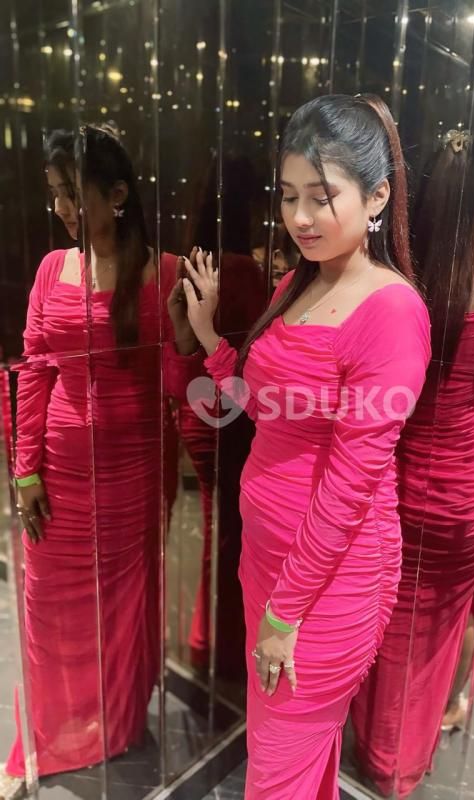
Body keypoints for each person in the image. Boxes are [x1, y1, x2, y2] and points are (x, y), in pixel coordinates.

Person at [180, 93, 431, 799]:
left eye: (321, 198)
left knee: (276, 771)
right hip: (269, 561)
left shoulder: (392, 311)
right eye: (289, 196)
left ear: (377, 195)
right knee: (285, 755)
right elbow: (263, 408)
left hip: (328, 585)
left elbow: (351, 485)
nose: (299, 217)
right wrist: (210, 336)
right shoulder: (299, 282)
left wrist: (285, 613)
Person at [0, 125, 201, 797]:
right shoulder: (52, 269)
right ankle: (48, 734)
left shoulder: (164, 271)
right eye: (54, 194)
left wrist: (184, 337)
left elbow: (179, 389)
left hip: (134, 473)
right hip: (59, 470)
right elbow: (33, 373)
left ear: (116, 195)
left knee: (121, 606)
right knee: (48, 605)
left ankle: (113, 726)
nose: (61, 209)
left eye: (72, 194)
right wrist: (24, 470)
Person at [351, 131, 474, 797]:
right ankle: (401, 758)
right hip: (467, 492)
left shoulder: (392, 291)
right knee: (436, 632)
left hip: (394, 483)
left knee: (382, 617)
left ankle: (369, 743)